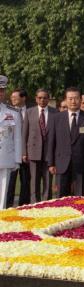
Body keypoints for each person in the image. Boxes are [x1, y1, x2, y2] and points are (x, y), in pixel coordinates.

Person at [47, 87, 84, 197]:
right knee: (61, 197)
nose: (73, 101)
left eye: (76, 98)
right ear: (66, 100)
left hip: (82, 164)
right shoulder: (56, 118)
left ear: (80, 99)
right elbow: (51, 142)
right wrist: (51, 163)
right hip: (61, 163)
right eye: (70, 99)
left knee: (81, 196)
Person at [22, 88, 57, 203]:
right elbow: (24, 134)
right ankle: (34, 204)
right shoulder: (29, 112)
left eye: (45, 97)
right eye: (40, 98)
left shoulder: (55, 113)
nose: (42, 100)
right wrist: (24, 152)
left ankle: (47, 204)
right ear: (36, 99)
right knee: (34, 182)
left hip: (49, 154)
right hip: (33, 153)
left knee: (48, 182)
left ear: (48, 99)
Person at [0, 75, 22, 208]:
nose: (0, 93)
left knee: (3, 192)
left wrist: (17, 160)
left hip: (6, 158)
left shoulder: (13, 113)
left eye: (2, 90)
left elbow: (17, 137)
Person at [7, 88, 30, 206]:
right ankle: (7, 207)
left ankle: (24, 207)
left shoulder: (31, 112)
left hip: (27, 154)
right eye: (12, 97)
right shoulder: (8, 112)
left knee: (26, 182)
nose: (12, 99)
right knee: (10, 183)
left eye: (15, 97)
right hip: (11, 153)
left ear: (23, 98)